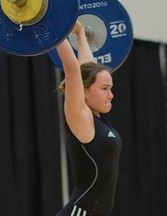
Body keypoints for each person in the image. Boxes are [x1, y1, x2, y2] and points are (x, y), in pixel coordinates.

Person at [55, 21, 122, 216]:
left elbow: (86, 69)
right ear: (84, 91)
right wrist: (55, 30)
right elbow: (73, 70)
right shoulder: (81, 118)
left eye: (110, 88)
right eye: (104, 89)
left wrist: (80, 34)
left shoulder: (97, 120)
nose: (111, 95)